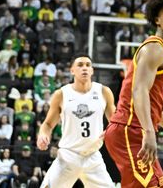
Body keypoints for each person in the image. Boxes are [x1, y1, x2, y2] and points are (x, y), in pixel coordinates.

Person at [104, 0, 163, 188]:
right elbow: (139, 92)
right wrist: (149, 132)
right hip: (130, 129)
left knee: (158, 184)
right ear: (157, 19)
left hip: (136, 129)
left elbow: (152, 104)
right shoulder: (154, 48)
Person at [35, 55, 116, 188]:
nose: (84, 68)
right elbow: (48, 124)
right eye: (80, 65)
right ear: (72, 70)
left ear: (92, 70)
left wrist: (111, 131)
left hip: (93, 157)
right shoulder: (61, 94)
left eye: (88, 65)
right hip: (68, 156)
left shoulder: (104, 92)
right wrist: (43, 135)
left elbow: (115, 123)